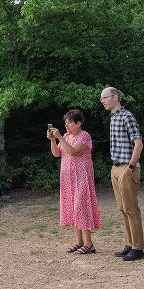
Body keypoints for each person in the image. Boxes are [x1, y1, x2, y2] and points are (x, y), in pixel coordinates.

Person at [47, 109, 102, 255]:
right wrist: (53, 140)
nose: (67, 125)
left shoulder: (84, 136)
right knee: (72, 207)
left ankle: (89, 244)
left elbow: (73, 152)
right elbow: (56, 153)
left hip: (82, 176)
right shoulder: (65, 136)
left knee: (81, 207)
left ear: (79, 123)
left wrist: (60, 138)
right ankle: (79, 242)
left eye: (70, 122)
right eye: (65, 122)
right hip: (68, 178)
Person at [100, 87, 144, 261]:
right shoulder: (113, 118)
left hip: (128, 168)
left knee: (131, 208)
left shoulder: (127, 116)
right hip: (116, 167)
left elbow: (139, 144)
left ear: (115, 97)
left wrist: (131, 167)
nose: (102, 101)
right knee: (122, 208)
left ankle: (138, 248)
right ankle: (130, 244)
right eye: (101, 99)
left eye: (105, 97)